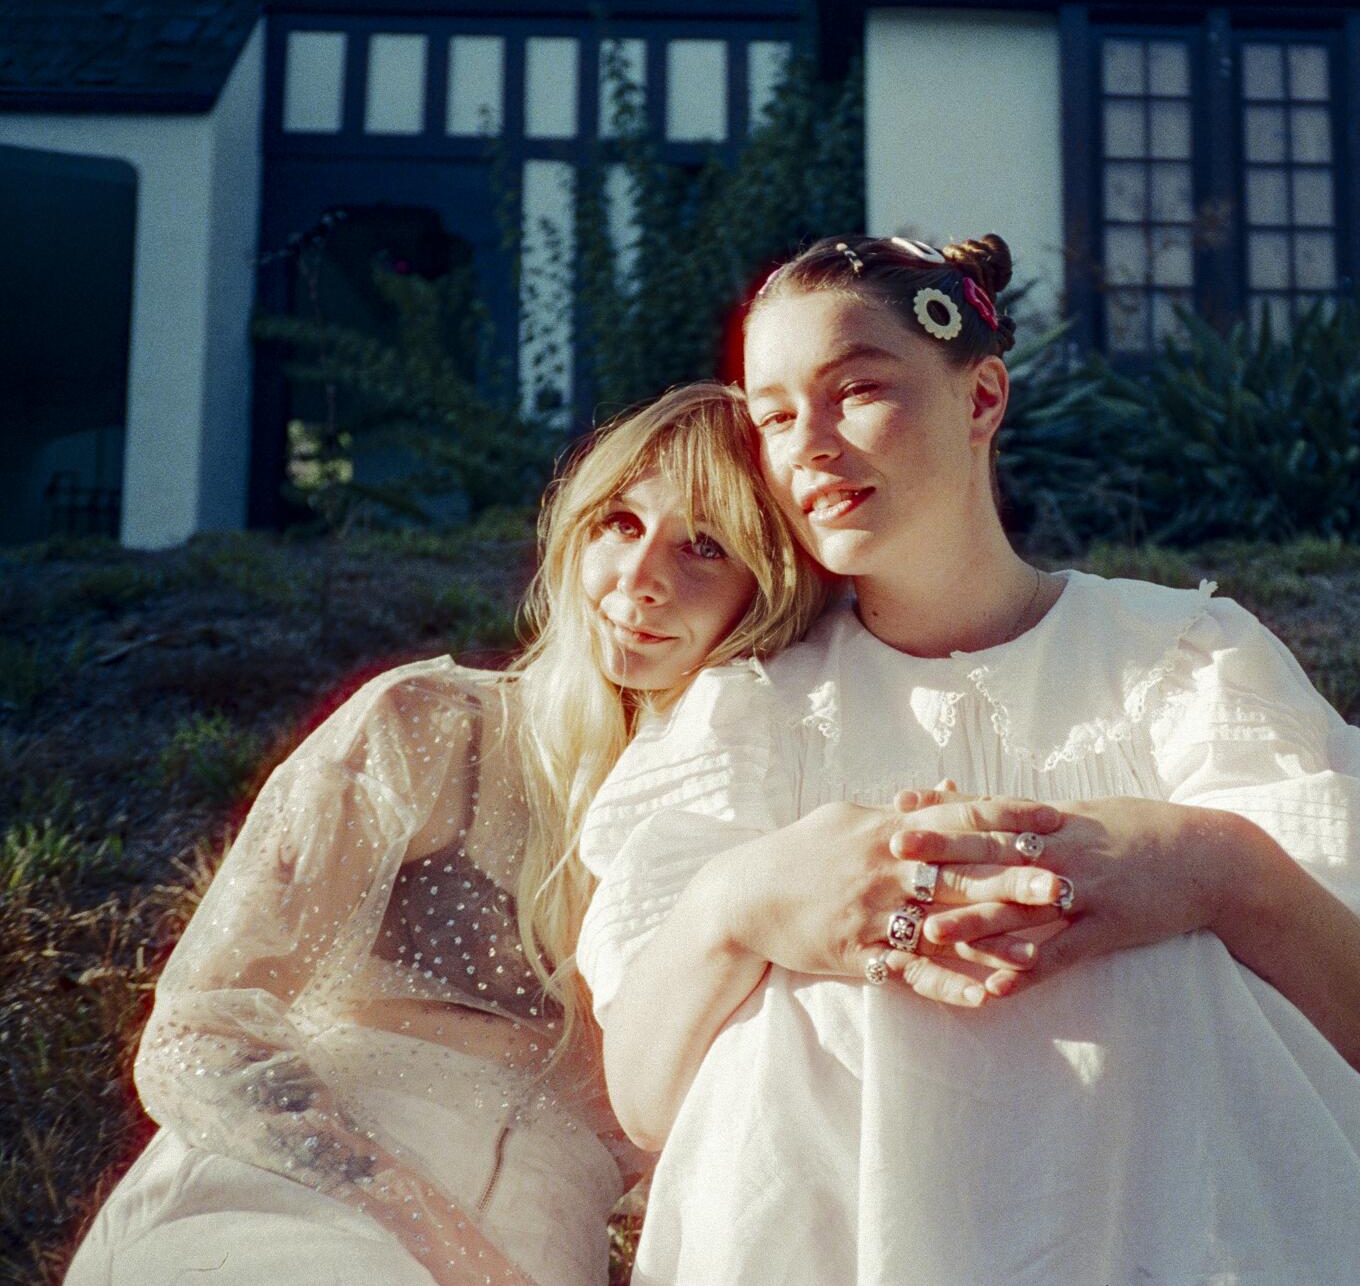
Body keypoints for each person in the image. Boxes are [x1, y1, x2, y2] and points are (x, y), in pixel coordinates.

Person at [576, 234, 1360, 1285]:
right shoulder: (754, 712)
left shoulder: (1182, 659)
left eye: (857, 390)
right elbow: (647, 1102)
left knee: (1162, 964)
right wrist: (746, 899)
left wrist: (1209, 865)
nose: (809, 446)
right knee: (817, 996)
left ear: (981, 397)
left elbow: (1350, 1039)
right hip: (855, 1236)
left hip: (1162, 1228)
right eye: (774, 416)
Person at [66, 383, 830, 1286]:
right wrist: (453, 1255)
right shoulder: (430, 726)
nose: (639, 579)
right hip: (291, 1204)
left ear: (769, 587)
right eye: (621, 522)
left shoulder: (756, 816)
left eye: (705, 546)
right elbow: (198, 1036)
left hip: (542, 1235)